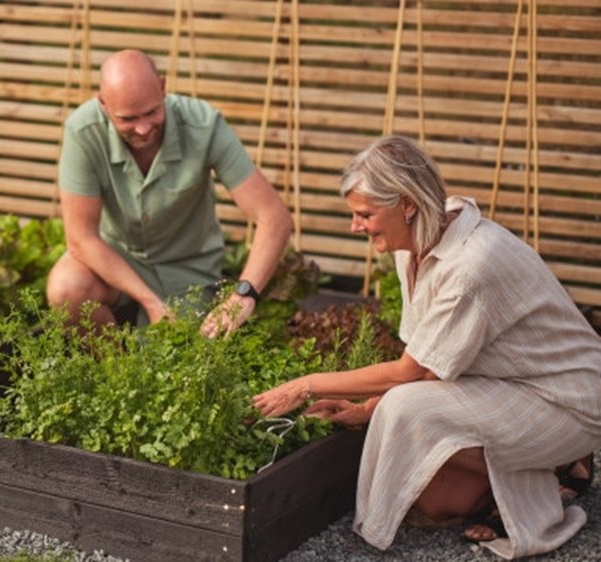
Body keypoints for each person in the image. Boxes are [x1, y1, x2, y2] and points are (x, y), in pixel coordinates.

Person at [251, 135, 601, 559]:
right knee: (435, 502)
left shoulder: (471, 266)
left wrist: (306, 385)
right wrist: (364, 410)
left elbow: (411, 374)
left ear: (407, 205)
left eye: (364, 214)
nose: (354, 227)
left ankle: (561, 459)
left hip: (568, 399)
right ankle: (526, 478)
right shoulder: (414, 243)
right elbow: (429, 360)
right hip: (512, 383)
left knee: (406, 410)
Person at [45, 49, 293, 337]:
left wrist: (242, 296)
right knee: (66, 288)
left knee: (177, 356)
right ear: (103, 104)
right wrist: (150, 301)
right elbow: (81, 239)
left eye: (152, 112)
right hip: (116, 262)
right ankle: (114, 372)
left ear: (163, 88)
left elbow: (274, 217)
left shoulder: (203, 124)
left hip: (188, 269)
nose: (143, 128)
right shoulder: (82, 131)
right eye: (127, 119)